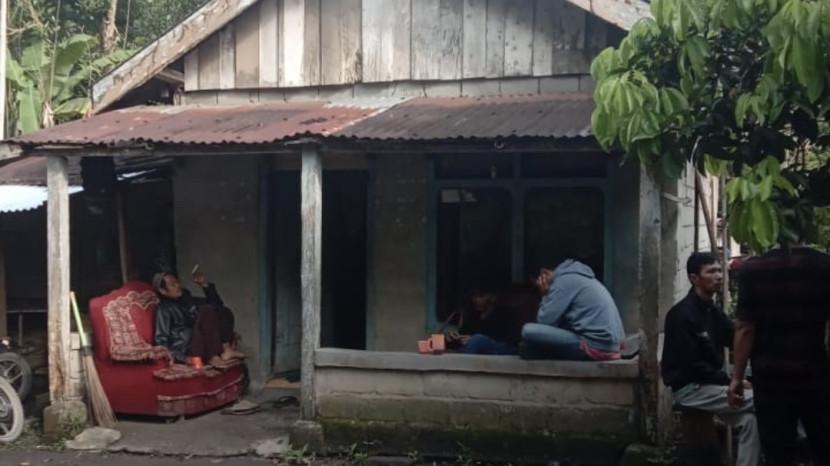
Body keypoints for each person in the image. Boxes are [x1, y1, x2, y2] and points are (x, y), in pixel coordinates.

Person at [728, 246, 830, 466]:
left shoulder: (753, 269)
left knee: (777, 454)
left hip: (770, 380)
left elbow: (745, 328)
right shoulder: (822, 265)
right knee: (824, 447)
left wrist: (737, 377)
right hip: (816, 376)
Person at [662, 252, 759, 466]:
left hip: (713, 385)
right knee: (766, 398)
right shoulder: (681, 315)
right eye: (711, 272)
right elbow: (691, 366)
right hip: (691, 388)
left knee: (751, 421)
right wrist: (731, 380)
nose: (719, 276)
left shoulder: (711, 309)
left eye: (719, 271)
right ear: (694, 278)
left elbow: (735, 336)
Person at [519, 259, 624, 361]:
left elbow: (544, 322)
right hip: (611, 345)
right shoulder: (582, 277)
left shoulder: (562, 282)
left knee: (527, 330)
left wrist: (545, 295)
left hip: (595, 345)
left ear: (544, 274)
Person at [153, 269, 244, 368]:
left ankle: (226, 349)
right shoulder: (164, 309)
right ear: (163, 291)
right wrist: (183, 358)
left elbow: (217, 305)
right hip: (188, 348)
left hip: (202, 342)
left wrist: (204, 285)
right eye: (172, 284)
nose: (178, 285)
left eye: (177, 282)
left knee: (223, 310)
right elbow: (161, 342)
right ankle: (212, 357)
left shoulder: (187, 299)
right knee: (206, 310)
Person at [446, 288, 522, 355]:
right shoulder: (473, 317)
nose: (475, 300)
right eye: (474, 296)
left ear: (492, 297)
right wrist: (452, 338)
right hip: (474, 350)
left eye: (480, 296)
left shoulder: (506, 314)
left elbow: (512, 341)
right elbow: (462, 336)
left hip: (503, 348)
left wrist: (473, 339)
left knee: (477, 340)